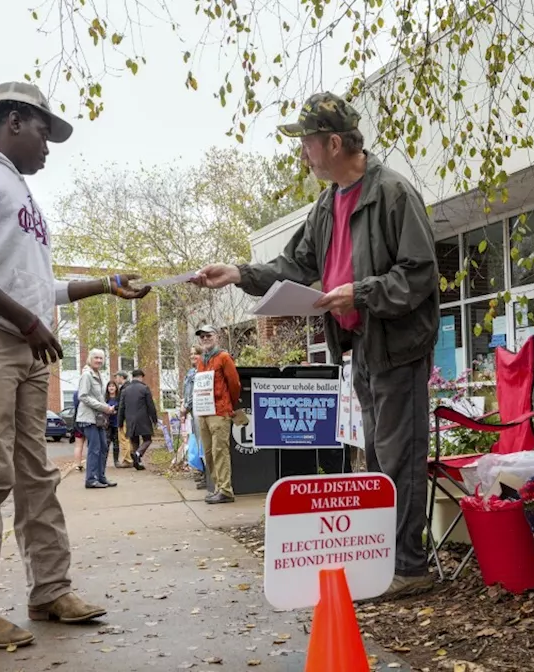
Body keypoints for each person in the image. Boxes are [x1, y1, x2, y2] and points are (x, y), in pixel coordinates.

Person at [0, 81, 150, 649]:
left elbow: (31, 285)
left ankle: (50, 590)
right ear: (16, 121)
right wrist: (24, 320)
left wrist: (103, 285)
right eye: (46, 133)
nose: (49, 147)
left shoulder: (20, 192)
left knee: (36, 476)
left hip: (20, 346)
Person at [192, 92, 440, 598]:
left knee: (399, 456)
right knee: (376, 456)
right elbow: (295, 266)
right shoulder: (328, 203)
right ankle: (384, 562)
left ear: (332, 142)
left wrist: (361, 292)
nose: (301, 152)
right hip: (362, 348)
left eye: (306, 142)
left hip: (399, 348)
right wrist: (239, 273)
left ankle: (410, 568)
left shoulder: (393, 193)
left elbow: (420, 276)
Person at [192, 325, 240, 504]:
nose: (205, 339)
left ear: (216, 337)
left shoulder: (223, 357)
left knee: (220, 451)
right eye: (202, 337)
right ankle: (218, 487)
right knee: (209, 452)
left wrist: (228, 405)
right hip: (204, 412)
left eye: (208, 335)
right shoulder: (201, 360)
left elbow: (234, 384)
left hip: (219, 412)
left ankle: (226, 490)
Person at [76, 349, 116, 489]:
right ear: (90, 359)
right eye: (96, 358)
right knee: (95, 448)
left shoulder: (98, 375)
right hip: (88, 418)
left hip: (98, 418)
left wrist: (107, 407)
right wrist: (104, 408)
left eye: (101, 358)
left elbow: (98, 397)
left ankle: (101, 477)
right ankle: (91, 479)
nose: (99, 360)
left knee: (103, 447)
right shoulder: (87, 375)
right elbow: (83, 396)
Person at [118, 369, 159, 471]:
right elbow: (150, 405)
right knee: (147, 439)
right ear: (141, 377)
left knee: (134, 440)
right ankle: (138, 454)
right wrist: (154, 419)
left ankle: (137, 462)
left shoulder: (125, 390)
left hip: (130, 419)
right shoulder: (144, 388)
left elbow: (121, 407)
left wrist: (120, 422)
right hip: (143, 418)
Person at [180, 348, 207, 489]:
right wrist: (184, 405)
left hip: (201, 410)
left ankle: (208, 476)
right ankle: (203, 473)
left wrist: (186, 405)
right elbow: (187, 392)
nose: (192, 356)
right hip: (192, 411)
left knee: (203, 443)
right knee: (197, 443)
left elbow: (198, 393)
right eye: (191, 353)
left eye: (195, 353)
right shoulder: (190, 372)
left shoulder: (204, 372)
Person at [112, 372, 134, 467]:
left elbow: (122, 405)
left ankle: (127, 460)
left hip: (124, 417)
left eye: (116, 377)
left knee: (124, 439)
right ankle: (131, 458)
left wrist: (114, 408)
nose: (116, 380)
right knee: (129, 439)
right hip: (130, 416)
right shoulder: (130, 386)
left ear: (121, 377)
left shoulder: (124, 388)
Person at [104, 381, 121, 467]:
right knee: (106, 443)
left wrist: (115, 410)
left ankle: (116, 461)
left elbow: (122, 408)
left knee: (116, 443)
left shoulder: (119, 398)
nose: (111, 388)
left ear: (116, 388)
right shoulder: (105, 399)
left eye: (113, 386)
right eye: (109, 386)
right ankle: (103, 462)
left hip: (116, 423)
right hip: (107, 424)